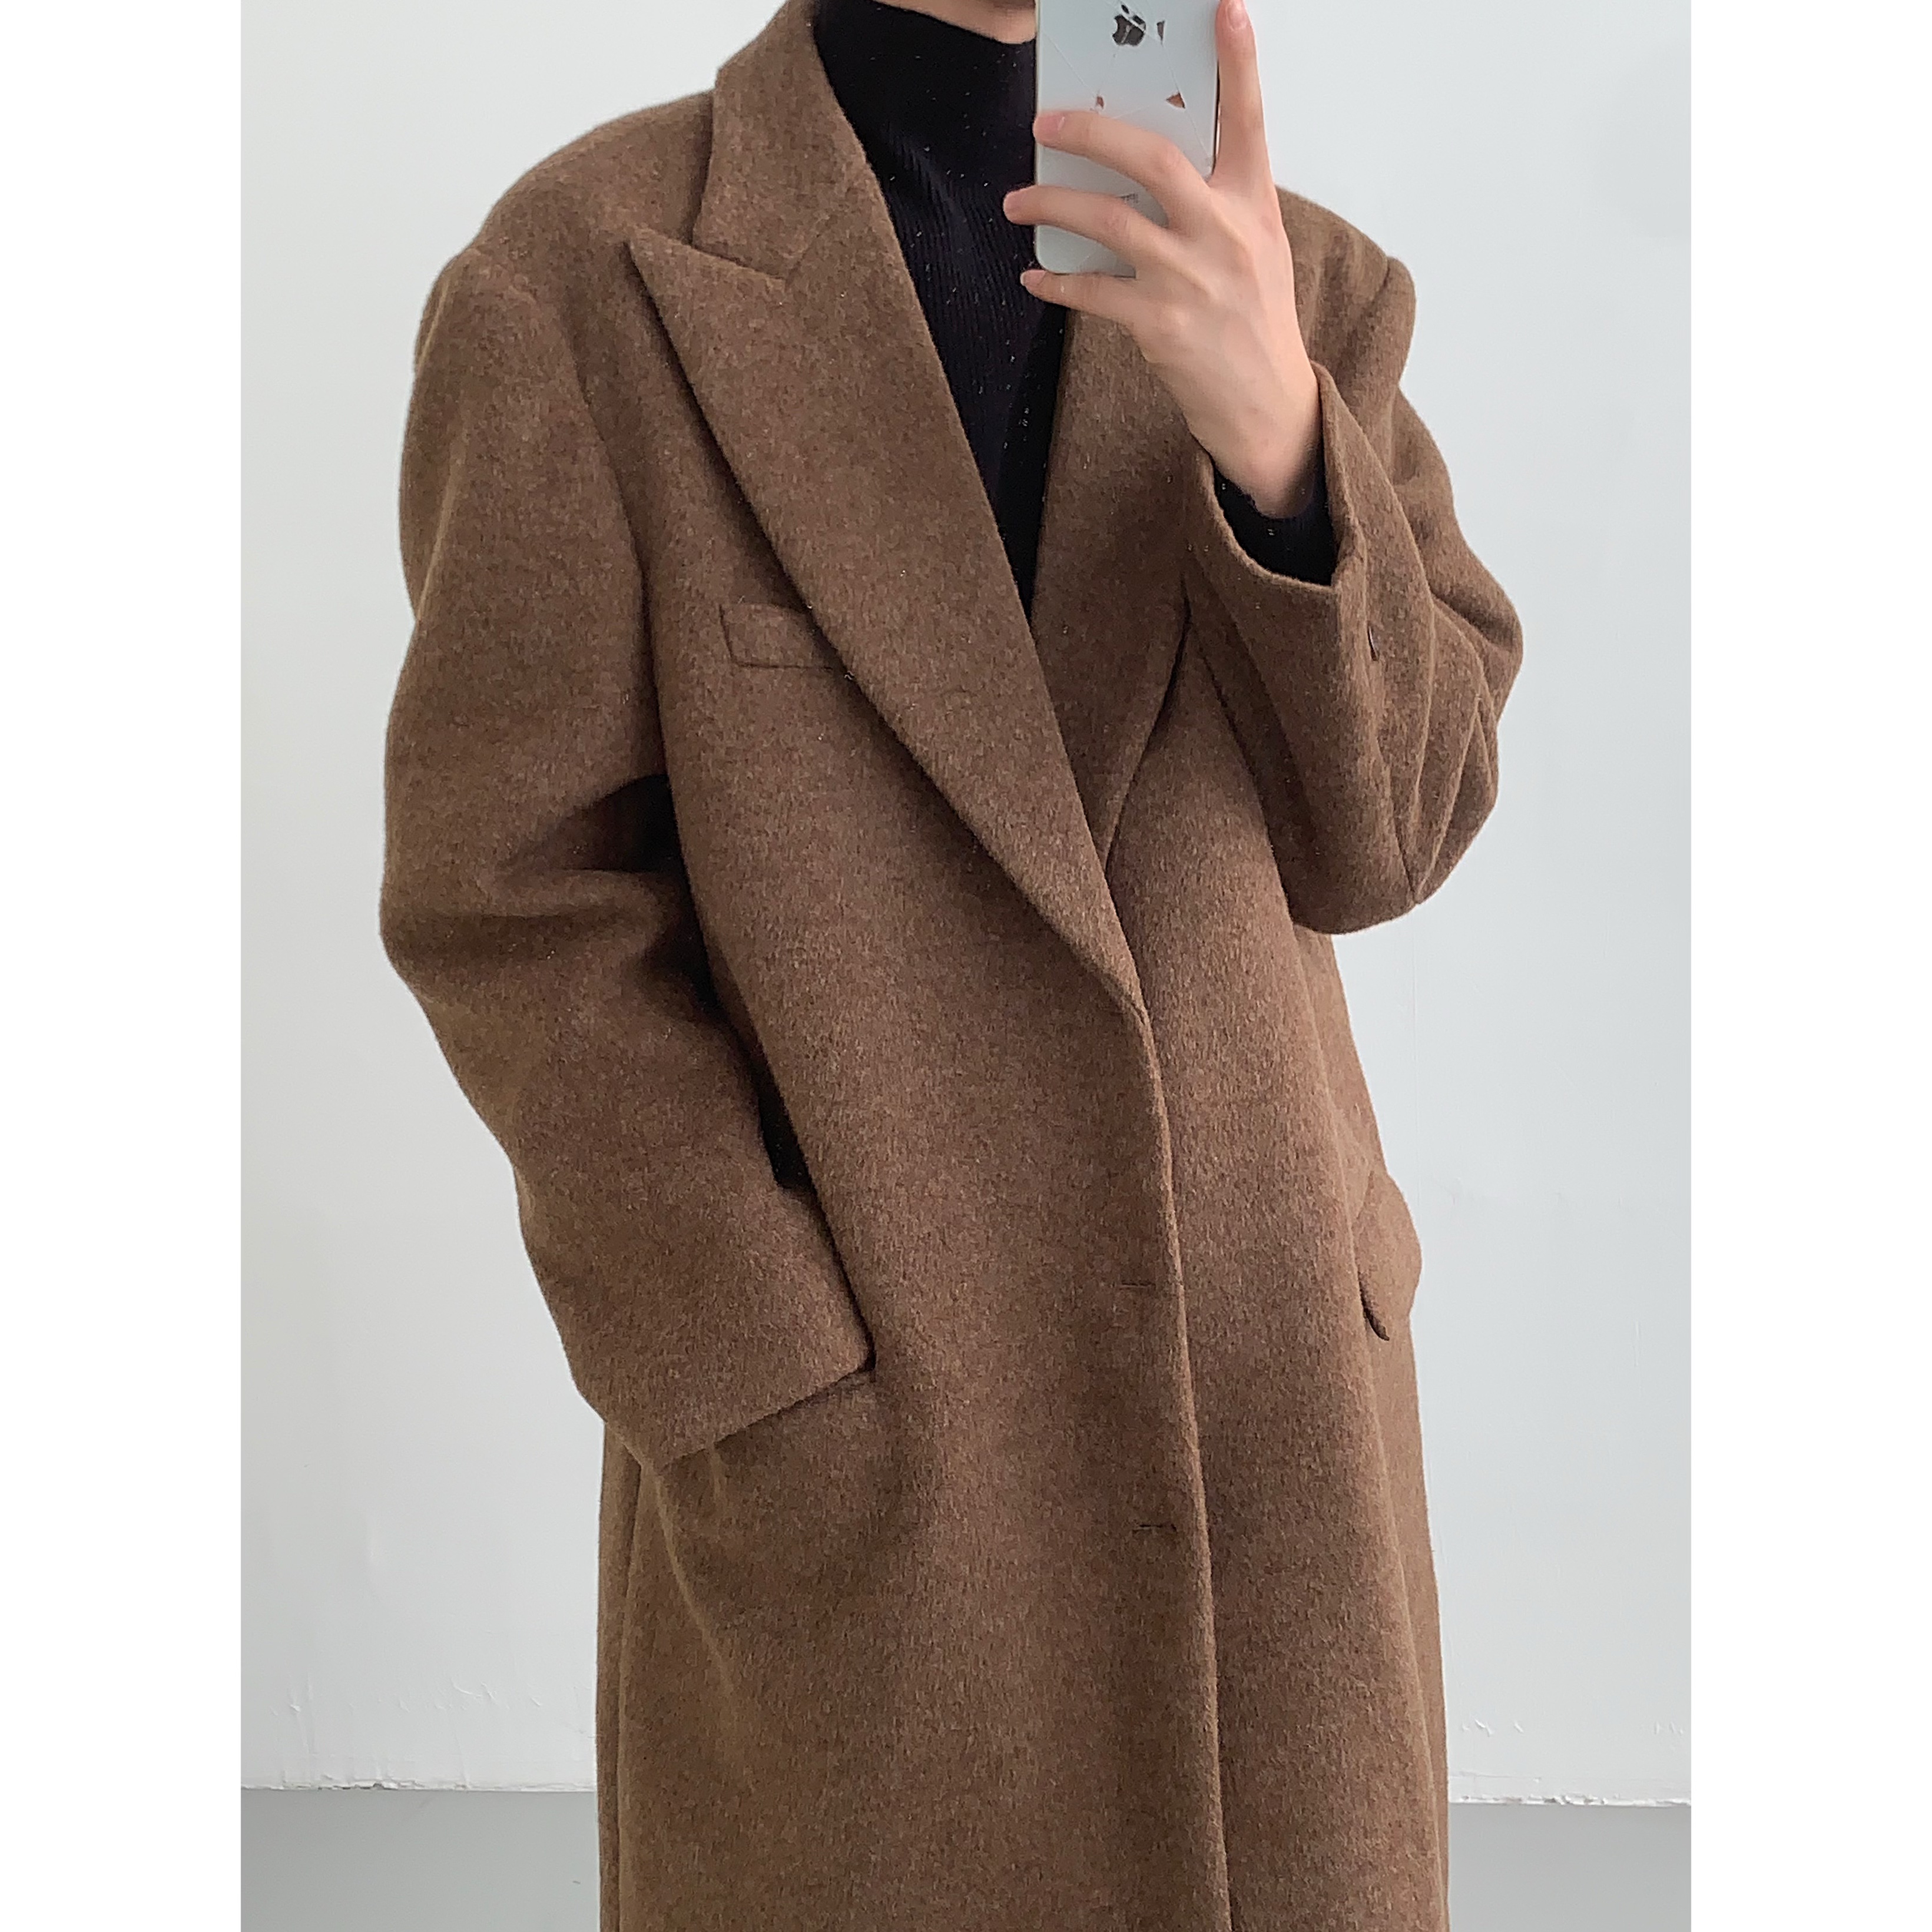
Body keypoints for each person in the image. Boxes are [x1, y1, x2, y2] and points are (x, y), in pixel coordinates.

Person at [379, 0, 1523, 1925]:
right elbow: (511, 899)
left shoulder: (1301, 280)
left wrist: (1277, 443)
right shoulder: (581, 278)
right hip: (870, 1460)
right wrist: (751, 1354)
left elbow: (1394, 834)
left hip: (1264, 1434)